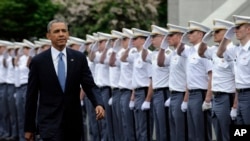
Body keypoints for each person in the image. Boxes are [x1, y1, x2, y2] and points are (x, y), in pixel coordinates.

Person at [24, 19, 105, 141]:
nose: (61, 34)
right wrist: (29, 128)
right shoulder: (38, 62)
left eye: (64, 31)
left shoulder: (79, 58)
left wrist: (98, 103)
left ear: (68, 34)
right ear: (48, 36)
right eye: (56, 31)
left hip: (73, 122)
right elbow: (32, 96)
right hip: (49, 122)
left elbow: (89, 85)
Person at [198, 19, 236, 141]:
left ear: (227, 33)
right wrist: (204, 40)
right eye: (213, 32)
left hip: (227, 97)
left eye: (217, 31)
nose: (214, 34)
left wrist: (235, 105)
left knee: (228, 134)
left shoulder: (233, 51)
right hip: (216, 97)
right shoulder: (214, 50)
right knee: (218, 132)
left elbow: (238, 80)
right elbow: (201, 53)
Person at [177, 21, 213, 141]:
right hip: (192, 94)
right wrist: (186, 99)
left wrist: (207, 99)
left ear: (200, 34)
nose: (188, 35)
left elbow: (211, 75)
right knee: (192, 133)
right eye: (188, 33)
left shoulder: (204, 52)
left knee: (201, 131)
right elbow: (179, 51)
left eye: (192, 32)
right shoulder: (190, 51)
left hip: (200, 94)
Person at [217, 15, 250, 125]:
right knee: (240, 132)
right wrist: (227, 36)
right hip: (240, 95)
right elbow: (219, 53)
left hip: (248, 94)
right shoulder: (236, 49)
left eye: (238, 27)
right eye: (234, 28)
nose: (235, 30)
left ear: (248, 29)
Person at [158, 23, 189, 141]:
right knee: (174, 130)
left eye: (171, 35)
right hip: (173, 95)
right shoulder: (172, 53)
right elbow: (160, 63)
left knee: (181, 132)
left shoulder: (185, 53)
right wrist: (162, 47)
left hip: (181, 94)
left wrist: (185, 99)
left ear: (181, 36)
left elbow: (189, 77)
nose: (168, 38)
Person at [141, 25, 170, 141]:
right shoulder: (153, 54)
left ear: (163, 38)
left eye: (154, 37)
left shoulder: (168, 53)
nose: (151, 39)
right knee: (158, 127)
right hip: (156, 93)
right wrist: (145, 46)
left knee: (164, 127)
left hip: (164, 92)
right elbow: (143, 57)